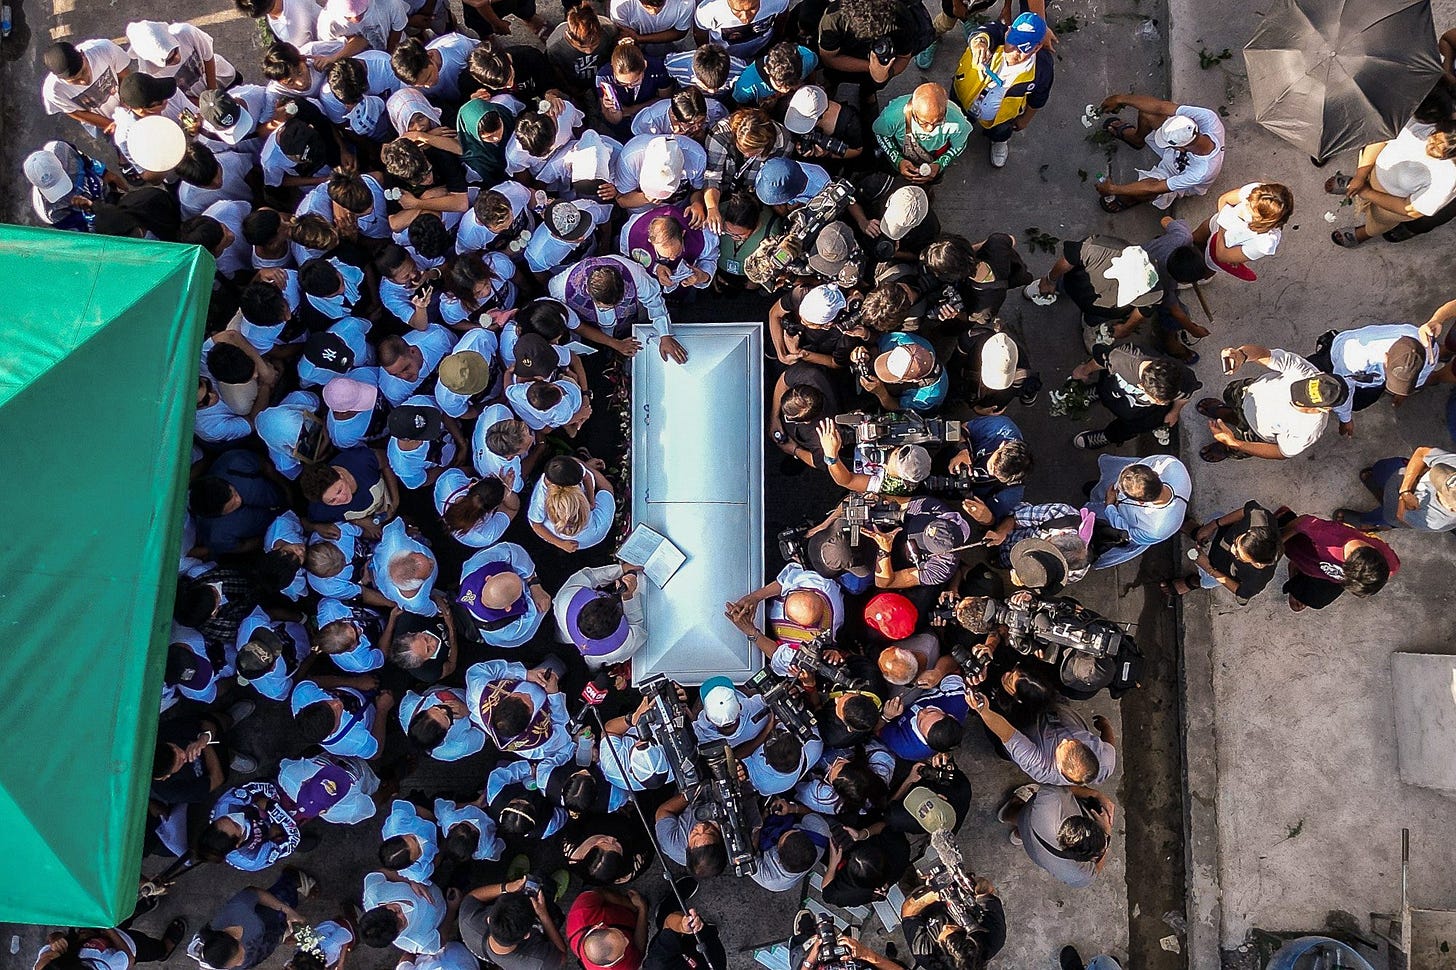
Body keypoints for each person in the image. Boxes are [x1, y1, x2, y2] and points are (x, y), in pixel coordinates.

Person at [1308, 310, 1450, 437]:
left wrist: (1403, 392)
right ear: (1385, 356)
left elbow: (1419, 378)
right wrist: (1346, 420)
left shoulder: (1430, 353)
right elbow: (1341, 390)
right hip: (1334, 361)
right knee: (1309, 382)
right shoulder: (1354, 357)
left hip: (1371, 377)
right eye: (1393, 379)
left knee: (1358, 403)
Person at [1198, 345, 1346, 463]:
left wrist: (1234, 443)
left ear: (1325, 409)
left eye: (1304, 402)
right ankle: (1228, 414)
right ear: (1319, 375)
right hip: (1246, 395)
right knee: (1229, 394)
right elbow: (1264, 354)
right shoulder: (1305, 371)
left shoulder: (1308, 431)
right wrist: (1242, 355)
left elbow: (1280, 452)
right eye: (1301, 388)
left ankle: (1227, 447)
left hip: (1256, 432)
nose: (1294, 399)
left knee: (1240, 448)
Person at [951, 12, 1052, 167]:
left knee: (1001, 131)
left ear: (1037, 47)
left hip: (1002, 116)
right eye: (1013, 42)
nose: (1014, 52)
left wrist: (1025, 120)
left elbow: (1038, 99)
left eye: (1023, 49)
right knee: (955, 117)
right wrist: (979, 43)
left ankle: (998, 141)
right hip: (962, 96)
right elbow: (981, 34)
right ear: (1008, 32)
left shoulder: (1042, 70)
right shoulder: (997, 32)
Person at [1330, 125, 1456, 248]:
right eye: (1434, 138)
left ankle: (1367, 232)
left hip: (1392, 201)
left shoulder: (1449, 178)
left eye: (1442, 149)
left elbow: (1411, 209)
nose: (1431, 146)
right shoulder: (1423, 121)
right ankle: (1358, 184)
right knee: (1364, 173)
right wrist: (1360, 175)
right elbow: (1381, 138)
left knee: (1380, 219)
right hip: (1373, 171)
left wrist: (1368, 192)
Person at [1092, 96, 1225, 212]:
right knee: (1148, 113)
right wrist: (1120, 99)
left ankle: (1130, 199)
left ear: (1181, 148)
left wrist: (1113, 189)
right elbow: (1161, 107)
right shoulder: (1208, 118)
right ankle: (1137, 139)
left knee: (1150, 191)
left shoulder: (1201, 171)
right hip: (1175, 155)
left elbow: (1153, 187)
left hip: (1175, 174)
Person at [1069, 343, 1200, 450]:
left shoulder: (1184, 378)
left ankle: (1107, 436)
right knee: (1106, 389)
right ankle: (1097, 392)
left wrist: (1174, 412)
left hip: (1141, 414)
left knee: (1134, 427)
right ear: (1141, 386)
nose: (1163, 404)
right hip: (1114, 389)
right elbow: (1101, 360)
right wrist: (1084, 370)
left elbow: (1185, 395)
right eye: (1156, 400)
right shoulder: (1124, 358)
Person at [189, 868, 315, 970]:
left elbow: (254, 893)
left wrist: (288, 911)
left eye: (239, 958)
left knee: (286, 897)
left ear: (236, 938)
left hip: (267, 914)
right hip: (265, 940)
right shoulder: (220, 957)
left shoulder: (239, 910)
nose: (239, 964)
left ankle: (293, 879)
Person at [1083, 455, 1190, 568]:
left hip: (1118, 518)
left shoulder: (1155, 529)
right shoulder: (1172, 465)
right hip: (1123, 494)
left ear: (1140, 502)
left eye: (1121, 491)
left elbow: (1126, 532)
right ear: (1156, 474)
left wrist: (1110, 507)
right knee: (1095, 489)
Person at [1280, 511, 1398, 612]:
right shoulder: (1331, 536)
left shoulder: (1390, 565)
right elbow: (1304, 522)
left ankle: (1298, 569)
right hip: (1310, 552)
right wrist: (1279, 543)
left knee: (1317, 601)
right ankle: (1283, 518)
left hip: (1321, 569)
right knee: (1290, 547)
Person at [1166, 501, 1283, 602]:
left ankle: (1195, 581)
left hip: (1221, 568)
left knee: (1208, 581)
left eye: (1238, 554)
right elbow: (1246, 510)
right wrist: (1213, 525)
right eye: (1237, 542)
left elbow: (1241, 594)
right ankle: (1196, 530)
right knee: (1213, 521)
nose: (1232, 548)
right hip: (1223, 532)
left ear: (1257, 564)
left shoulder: (1258, 578)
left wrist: (1210, 570)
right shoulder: (1259, 517)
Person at [871, 83, 970, 185]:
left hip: (935, 156)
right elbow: (881, 134)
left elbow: (960, 145)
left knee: (934, 179)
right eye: (923, 122)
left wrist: (940, 164)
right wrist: (897, 160)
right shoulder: (892, 116)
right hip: (901, 151)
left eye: (939, 121)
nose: (930, 128)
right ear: (913, 111)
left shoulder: (958, 121)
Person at [1339, 447, 1456, 533]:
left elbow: (1400, 516)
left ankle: (1367, 522)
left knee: (1387, 516)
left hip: (1399, 509)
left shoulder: (1435, 520)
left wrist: (1400, 499)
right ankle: (1381, 489)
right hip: (1405, 480)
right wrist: (1405, 491)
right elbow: (1422, 452)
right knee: (1381, 468)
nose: (1444, 473)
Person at [554, 562, 648, 668]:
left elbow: (591, 577)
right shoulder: (619, 648)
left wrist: (621, 569)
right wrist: (629, 597)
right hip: (579, 653)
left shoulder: (568, 597)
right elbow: (637, 626)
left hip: (561, 627)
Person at [565, 889, 649, 970]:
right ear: (613, 963)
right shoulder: (625, 968)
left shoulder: (581, 913)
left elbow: (600, 893)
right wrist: (642, 909)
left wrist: (632, 906)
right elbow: (639, 949)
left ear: (599, 926)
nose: (627, 941)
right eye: (623, 952)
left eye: (620, 934)